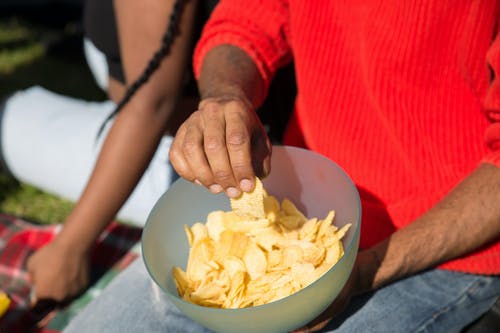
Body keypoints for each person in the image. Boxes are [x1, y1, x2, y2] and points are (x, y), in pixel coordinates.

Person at [62, 1, 500, 332]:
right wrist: (226, 95)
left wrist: (361, 271)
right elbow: (245, 21)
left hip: (447, 250)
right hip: (302, 203)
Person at [0, 0, 215, 306]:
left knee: (9, 123)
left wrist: (69, 249)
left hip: (181, 151)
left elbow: (151, 105)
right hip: (146, 109)